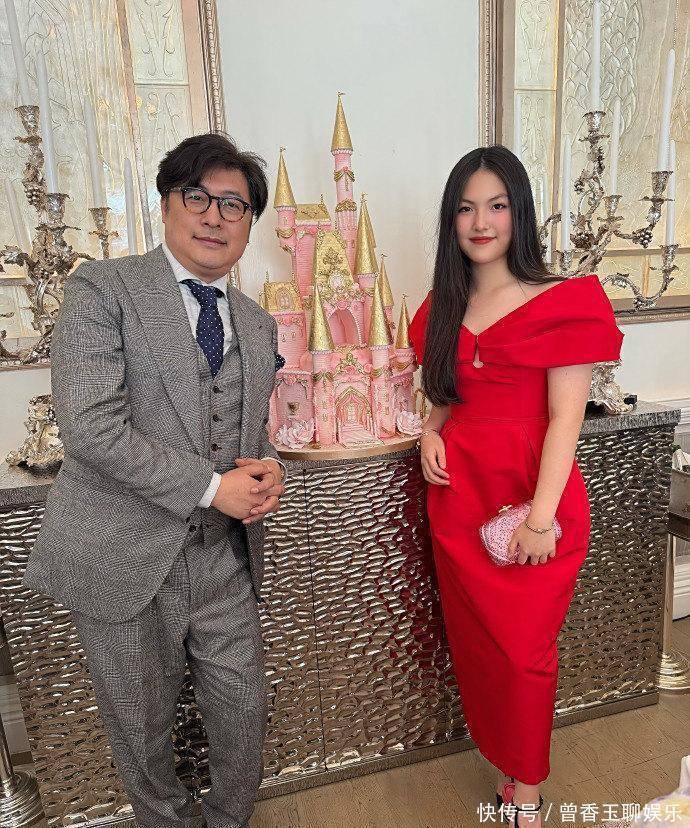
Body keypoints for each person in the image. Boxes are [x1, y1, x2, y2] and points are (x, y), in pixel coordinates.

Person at [24, 133, 287, 828]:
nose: (214, 216)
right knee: (140, 730)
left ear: (250, 223)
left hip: (224, 558)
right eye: (197, 197)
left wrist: (267, 470)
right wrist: (212, 487)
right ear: (166, 204)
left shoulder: (257, 322)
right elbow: (91, 426)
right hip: (125, 554)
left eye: (233, 204)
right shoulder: (102, 289)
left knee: (244, 713)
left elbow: (248, 429)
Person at [408, 145, 623, 827]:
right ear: (451, 219)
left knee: (525, 652)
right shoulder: (442, 306)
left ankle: (526, 793)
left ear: (519, 213)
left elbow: (566, 421)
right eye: (466, 207)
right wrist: (431, 431)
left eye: (497, 205)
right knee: (480, 647)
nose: (481, 222)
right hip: (459, 496)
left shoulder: (565, 301)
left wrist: (539, 519)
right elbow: (445, 394)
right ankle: (507, 763)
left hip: (535, 498)